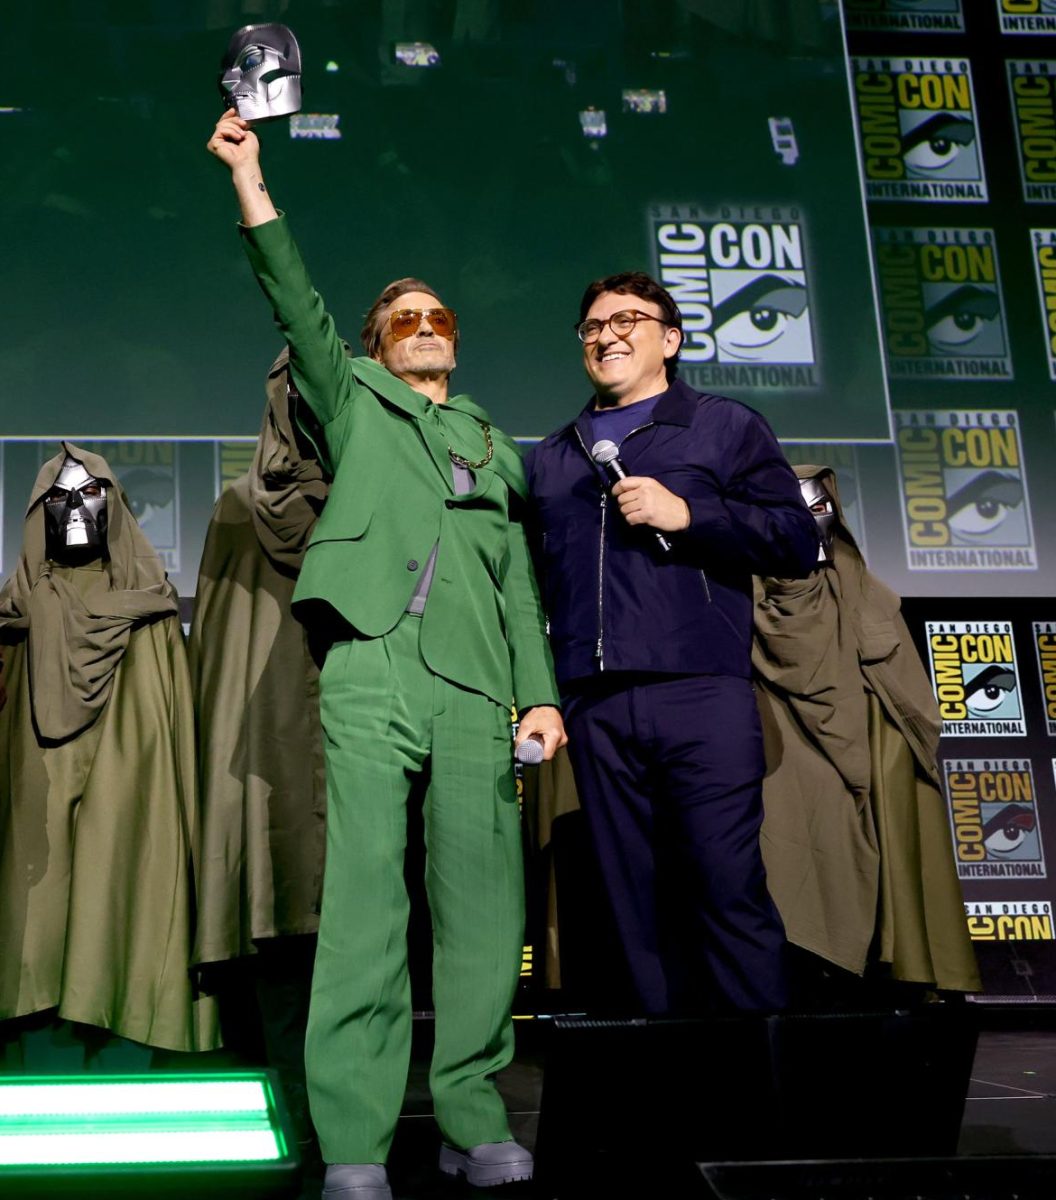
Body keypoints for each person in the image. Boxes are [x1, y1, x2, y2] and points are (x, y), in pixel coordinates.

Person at [207, 110, 564, 1200]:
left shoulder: (497, 444)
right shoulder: (354, 400)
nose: (421, 325)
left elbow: (514, 584)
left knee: (482, 913)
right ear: (374, 343)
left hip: (478, 691)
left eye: (436, 315)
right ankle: (356, 1141)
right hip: (370, 669)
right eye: (400, 317)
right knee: (366, 906)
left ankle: (470, 1113)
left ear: (456, 338)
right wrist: (250, 178)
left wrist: (537, 701)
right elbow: (295, 301)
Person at [525, 273, 818, 1016]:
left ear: (671, 339)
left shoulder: (723, 426)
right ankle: (670, 1095)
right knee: (633, 911)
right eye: (591, 326)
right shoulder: (554, 457)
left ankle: (760, 1094)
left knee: (725, 889)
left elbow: (793, 540)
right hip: (595, 705)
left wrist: (691, 512)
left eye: (628, 319)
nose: (606, 335)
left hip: (700, 693)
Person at [0, 443, 217, 1055]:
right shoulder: (13, 617)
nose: (75, 511)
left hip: (128, 763)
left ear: (114, 507)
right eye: (59, 498)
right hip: (36, 773)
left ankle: (123, 1010)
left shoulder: (149, 613)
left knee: (128, 861)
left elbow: (168, 728)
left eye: (90, 496)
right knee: (33, 882)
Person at [753, 464, 980, 998]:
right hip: (786, 751)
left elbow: (908, 696)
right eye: (793, 509)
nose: (811, 520)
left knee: (883, 860)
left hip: (875, 750)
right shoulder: (747, 597)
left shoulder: (866, 591)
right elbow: (799, 661)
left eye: (818, 506)